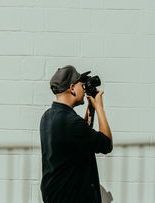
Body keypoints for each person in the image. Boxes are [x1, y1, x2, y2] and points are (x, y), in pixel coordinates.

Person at [40, 65, 113, 203]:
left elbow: (81, 138)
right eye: (81, 84)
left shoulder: (48, 116)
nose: (84, 87)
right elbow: (106, 144)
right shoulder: (72, 122)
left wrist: (90, 110)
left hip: (55, 195)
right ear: (72, 88)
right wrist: (99, 107)